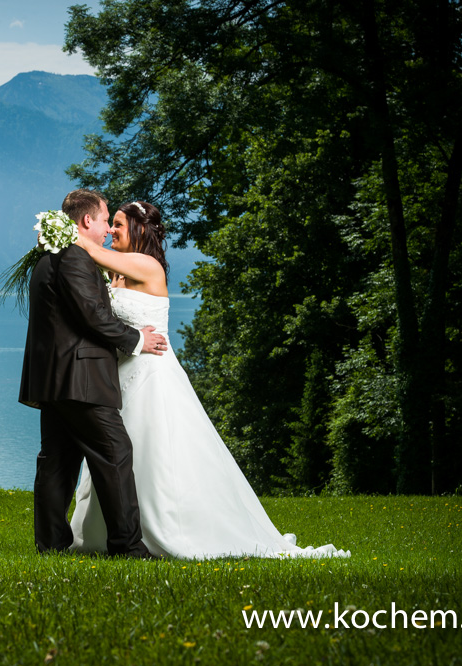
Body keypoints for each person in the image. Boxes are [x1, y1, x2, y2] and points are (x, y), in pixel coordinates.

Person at [70, 200, 350, 559]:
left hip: (151, 375)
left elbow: (90, 249)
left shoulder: (146, 265)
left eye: (119, 225)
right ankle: (111, 532)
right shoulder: (118, 274)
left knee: (155, 454)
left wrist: (62, 229)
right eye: (112, 224)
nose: (111, 231)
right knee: (118, 454)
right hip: (122, 374)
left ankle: (166, 529)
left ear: (140, 230)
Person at [19, 189, 169, 558]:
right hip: (81, 379)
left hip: (55, 379)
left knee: (56, 461)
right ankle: (127, 546)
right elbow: (93, 315)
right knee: (115, 453)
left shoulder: (49, 256)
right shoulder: (73, 257)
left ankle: (51, 545)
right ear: (87, 221)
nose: (106, 229)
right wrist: (136, 339)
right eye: (105, 220)